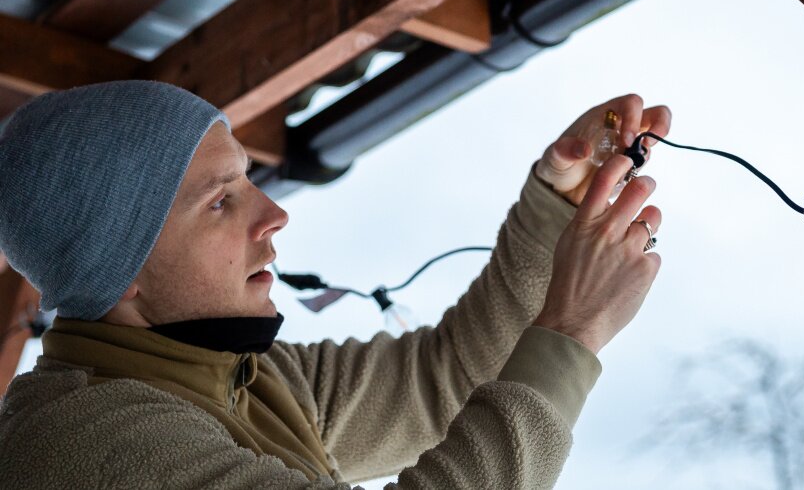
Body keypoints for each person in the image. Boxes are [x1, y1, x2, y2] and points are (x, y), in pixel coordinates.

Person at [0, 80, 670, 489]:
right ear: (122, 272)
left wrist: (558, 206)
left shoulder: (252, 377)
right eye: (219, 201)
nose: (274, 214)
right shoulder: (89, 444)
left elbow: (445, 382)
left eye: (248, 180)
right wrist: (571, 329)